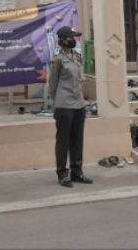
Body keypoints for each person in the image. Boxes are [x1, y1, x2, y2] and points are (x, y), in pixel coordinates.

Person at [48, 26, 93, 187]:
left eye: (75, 37)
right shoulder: (58, 59)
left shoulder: (77, 56)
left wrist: (82, 77)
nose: (74, 40)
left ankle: (77, 172)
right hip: (64, 104)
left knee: (77, 140)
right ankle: (62, 173)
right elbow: (52, 83)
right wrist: (55, 103)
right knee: (63, 141)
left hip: (79, 103)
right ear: (63, 40)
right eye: (72, 37)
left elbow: (79, 75)